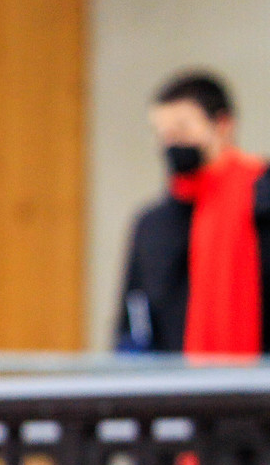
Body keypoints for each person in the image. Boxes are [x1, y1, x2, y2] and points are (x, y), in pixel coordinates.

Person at [115, 72, 269, 354]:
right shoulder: (152, 225)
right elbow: (134, 319)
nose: (171, 143)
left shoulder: (263, 201)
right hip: (178, 390)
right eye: (163, 133)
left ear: (222, 126)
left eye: (182, 130)